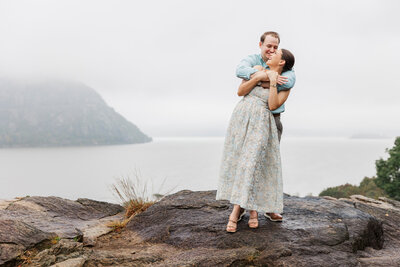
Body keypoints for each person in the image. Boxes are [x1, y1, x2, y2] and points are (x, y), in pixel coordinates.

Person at [216, 49, 295, 233]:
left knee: (252, 164)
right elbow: (241, 91)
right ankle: (252, 212)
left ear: (282, 62)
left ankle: (234, 214)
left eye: (276, 53)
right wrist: (261, 76)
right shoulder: (257, 68)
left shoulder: (286, 83)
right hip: (242, 117)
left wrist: (273, 82)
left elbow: (273, 105)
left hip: (261, 122)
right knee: (240, 162)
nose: (271, 54)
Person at [236, 31, 296, 222]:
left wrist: (260, 77)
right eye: (268, 46)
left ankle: (269, 207)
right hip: (251, 120)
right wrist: (268, 75)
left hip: (273, 118)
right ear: (260, 44)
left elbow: (290, 81)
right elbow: (239, 70)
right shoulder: (252, 60)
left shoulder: (285, 67)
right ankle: (242, 207)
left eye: (275, 47)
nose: (271, 50)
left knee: (269, 164)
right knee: (246, 164)